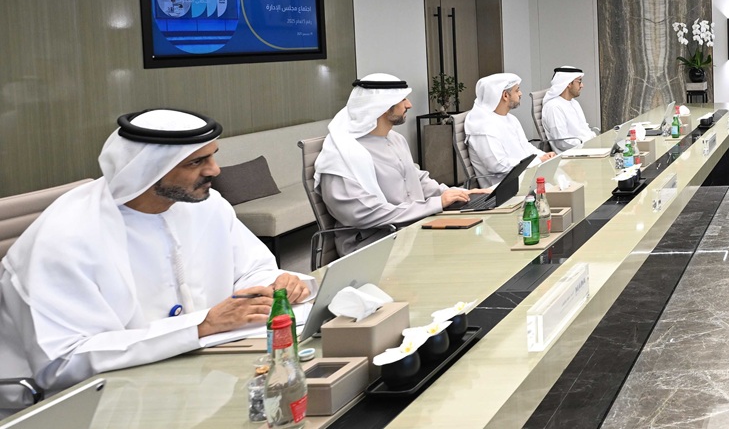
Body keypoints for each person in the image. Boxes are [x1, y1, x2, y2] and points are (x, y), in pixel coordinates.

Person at [0, 110, 311, 405]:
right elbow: (63, 363)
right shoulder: (66, 238)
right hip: (90, 400)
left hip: (191, 372)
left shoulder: (207, 205)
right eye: (197, 162)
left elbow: (251, 268)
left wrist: (274, 284)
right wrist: (200, 326)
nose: (215, 170)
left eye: (213, 156)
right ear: (149, 170)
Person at [316, 74, 482, 256]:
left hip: (416, 226)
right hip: (374, 243)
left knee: (477, 239)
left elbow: (416, 178)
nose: (409, 105)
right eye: (402, 99)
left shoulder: (396, 139)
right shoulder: (341, 154)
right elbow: (363, 213)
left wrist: (455, 194)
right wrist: (436, 204)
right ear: (383, 106)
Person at [465, 73, 554, 184]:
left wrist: (543, 155)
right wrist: (537, 161)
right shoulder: (482, 126)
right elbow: (498, 165)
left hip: (526, 175)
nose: (520, 93)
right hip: (504, 187)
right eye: (517, 90)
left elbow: (525, 146)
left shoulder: (511, 119)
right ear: (505, 95)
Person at [540, 65, 596, 152]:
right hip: (571, 155)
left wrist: (593, 138)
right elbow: (562, 143)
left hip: (585, 148)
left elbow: (584, 129)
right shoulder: (554, 107)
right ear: (569, 83)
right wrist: (585, 141)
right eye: (579, 81)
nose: (582, 85)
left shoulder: (574, 103)